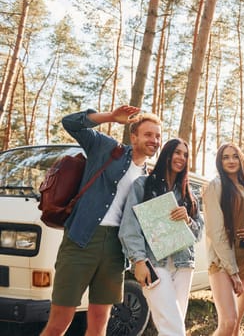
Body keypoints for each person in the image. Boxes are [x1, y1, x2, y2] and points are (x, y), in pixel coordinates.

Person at [41, 106, 162, 336]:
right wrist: (110, 117)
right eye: (148, 134)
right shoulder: (107, 149)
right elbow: (70, 122)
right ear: (133, 136)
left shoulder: (149, 179)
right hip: (81, 240)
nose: (154, 140)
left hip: (116, 251)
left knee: (100, 322)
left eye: (157, 136)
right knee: (60, 322)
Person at [119, 138, 204, 336]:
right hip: (155, 264)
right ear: (166, 154)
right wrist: (139, 261)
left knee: (173, 324)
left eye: (185, 154)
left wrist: (188, 221)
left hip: (184, 265)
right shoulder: (143, 185)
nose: (181, 157)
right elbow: (129, 228)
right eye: (177, 152)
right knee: (173, 328)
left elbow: (198, 233)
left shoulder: (188, 194)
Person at [203, 143, 244, 336]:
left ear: (241, 160)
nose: (231, 160)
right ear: (220, 161)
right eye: (226, 157)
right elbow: (215, 231)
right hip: (222, 261)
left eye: (235, 156)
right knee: (228, 322)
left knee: (235, 328)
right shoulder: (215, 186)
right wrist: (232, 270)